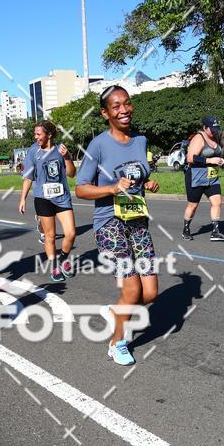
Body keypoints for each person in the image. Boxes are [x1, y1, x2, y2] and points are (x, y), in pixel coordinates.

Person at [76, 85, 159, 366]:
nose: (123, 110)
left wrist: (146, 183)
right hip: (109, 223)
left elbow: (138, 173)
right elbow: (81, 189)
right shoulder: (98, 144)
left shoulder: (141, 140)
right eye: (115, 106)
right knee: (133, 289)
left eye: (127, 103)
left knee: (150, 292)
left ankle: (117, 311)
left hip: (137, 221)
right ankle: (117, 341)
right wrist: (112, 188)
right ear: (105, 113)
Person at [19, 120, 76, 282]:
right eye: (35, 134)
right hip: (42, 199)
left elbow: (71, 174)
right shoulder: (33, 151)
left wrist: (68, 157)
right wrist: (23, 198)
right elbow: (28, 177)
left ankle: (64, 259)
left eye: (39, 134)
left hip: (62, 197)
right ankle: (55, 267)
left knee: (71, 233)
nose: (36, 137)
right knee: (50, 236)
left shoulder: (60, 150)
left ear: (49, 134)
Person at [182, 116, 224, 242]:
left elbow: (216, 153)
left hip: (212, 176)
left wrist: (220, 160)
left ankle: (215, 232)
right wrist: (209, 160)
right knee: (193, 206)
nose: (215, 131)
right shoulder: (199, 138)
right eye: (212, 129)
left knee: (217, 201)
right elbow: (190, 158)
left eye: (216, 129)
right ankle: (186, 229)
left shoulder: (215, 137)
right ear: (205, 127)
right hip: (196, 176)